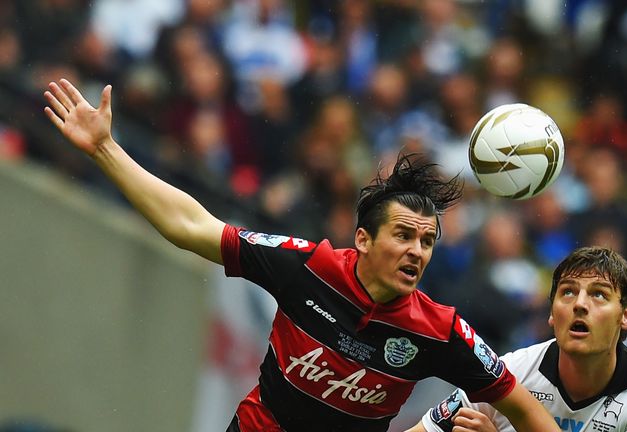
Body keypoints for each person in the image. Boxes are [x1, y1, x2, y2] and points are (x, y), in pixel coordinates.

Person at [42, 79, 560, 432]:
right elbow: (192, 226)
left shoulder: (440, 330)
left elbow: (521, 406)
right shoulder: (308, 266)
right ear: (362, 240)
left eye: (427, 241)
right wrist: (105, 150)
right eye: (403, 235)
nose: (417, 251)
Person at [410, 246, 627, 432]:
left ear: (626, 315)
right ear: (552, 314)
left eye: (599, 294)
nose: (579, 304)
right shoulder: (507, 373)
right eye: (568, 292)